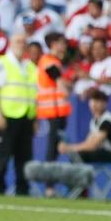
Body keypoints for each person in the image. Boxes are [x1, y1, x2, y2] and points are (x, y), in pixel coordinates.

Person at [0, 33, 38, 196]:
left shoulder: (30, 66)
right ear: (11, 43)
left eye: (24, 42)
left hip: (26, 117)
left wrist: (35, 117)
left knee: (24, 157)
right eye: (18, 41)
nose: (21, 44)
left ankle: (23, 190)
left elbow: (33, 94)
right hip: (8, 115)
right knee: (4, 155)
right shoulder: (1, 63)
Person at [58, 89, 111, 164]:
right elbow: (88, 142)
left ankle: (81, 175)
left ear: (105, 104)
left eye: (97, 101)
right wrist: (70, 148)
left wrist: (69, 148)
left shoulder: (107, 121)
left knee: (81, 155)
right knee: (77, 155)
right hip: (106, 151)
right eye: (92, 101)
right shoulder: (93, 121)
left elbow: (92, 146)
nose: (94, 104)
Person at [36, 32, 71, 163]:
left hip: (59, 110)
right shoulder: (47, 59)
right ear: (54, 44)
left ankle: (52, 178)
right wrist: (64, 87)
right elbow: (55, 76)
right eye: (62, 43)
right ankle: (49, 180)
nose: (65, 46)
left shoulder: (56, 61)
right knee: (53, 145)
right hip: (53, 109)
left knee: (57, 145)